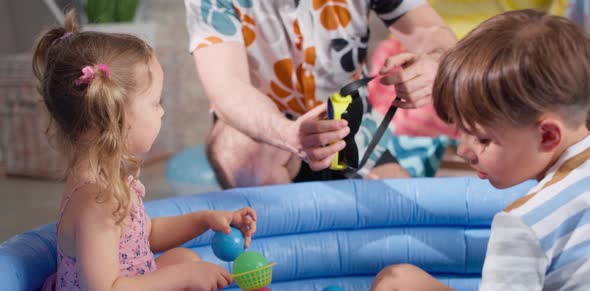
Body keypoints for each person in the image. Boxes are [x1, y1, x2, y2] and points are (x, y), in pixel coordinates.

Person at [358, 9, 590, 291]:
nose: (464, 150)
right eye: (459, 131)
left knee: (394, 283)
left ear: (548, 134)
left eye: (483, 138)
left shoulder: (524, 225)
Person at [31, 10, 256, 291]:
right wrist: (184, 277)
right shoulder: (98, 201)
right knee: (184, 266)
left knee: (184, 258)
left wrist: (205, 220)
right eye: (155, 102)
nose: (162, 111)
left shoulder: (107, 181)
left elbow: (145, 236)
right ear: (114, 118)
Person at [184, 0, 457, 188]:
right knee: (244, 155)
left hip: (351, 126)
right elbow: (227, 87)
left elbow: (430, 30)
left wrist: (434, 61)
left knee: (400, 218)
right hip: (264, 131)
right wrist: (286, 133)